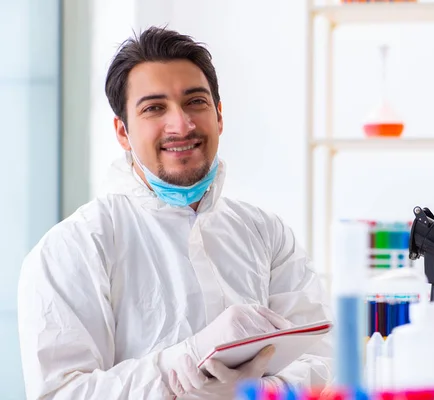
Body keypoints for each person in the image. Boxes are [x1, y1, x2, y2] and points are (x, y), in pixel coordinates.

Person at [17, 26, 333, 399]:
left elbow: (322, 355)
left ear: (219, 116)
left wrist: (261, 391)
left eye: (195, 102)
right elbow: (62, 392)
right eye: (154, 108)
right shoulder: (75, 247)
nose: (181, 125)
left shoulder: (266, 234)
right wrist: (184, 364)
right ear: (123, 132)